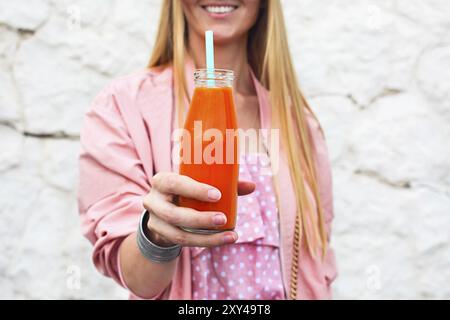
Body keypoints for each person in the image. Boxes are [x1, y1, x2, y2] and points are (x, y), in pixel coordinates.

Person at [78, 0, 337, 300]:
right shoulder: (124, 107)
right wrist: (157, 237)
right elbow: (140, 281)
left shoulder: (299, 126)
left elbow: (316, 265)